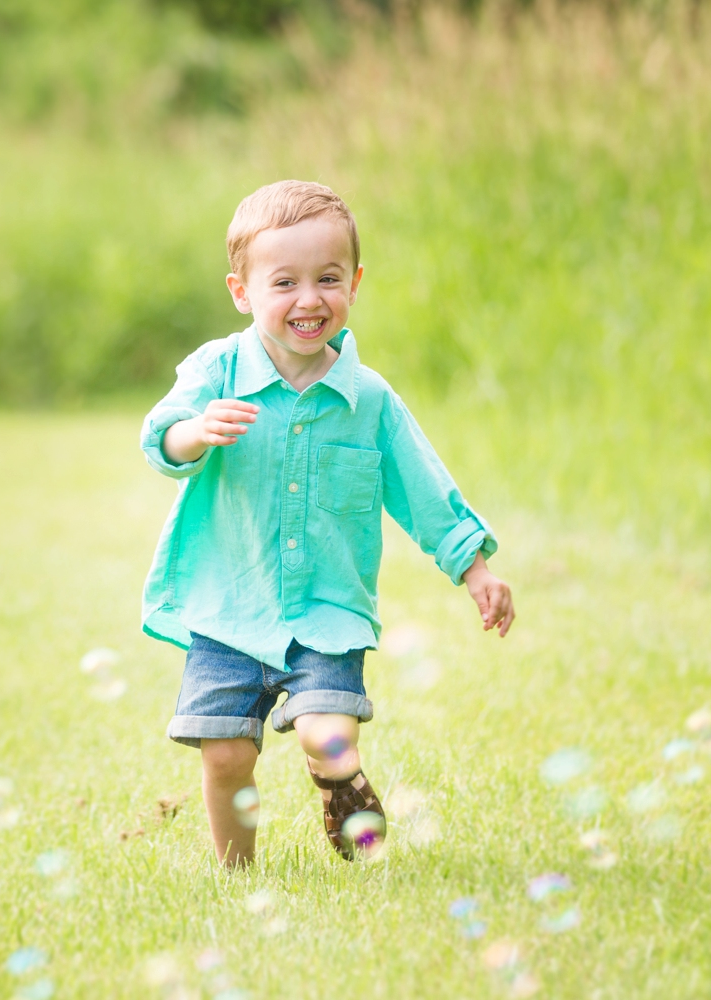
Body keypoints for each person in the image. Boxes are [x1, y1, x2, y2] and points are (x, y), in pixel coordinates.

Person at [139, 179, 515, 866]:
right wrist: (195, 431)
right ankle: (237, 876)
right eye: (284, 282)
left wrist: (475, 567)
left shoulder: (368, 400)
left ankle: (342, 788)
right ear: (242, 291)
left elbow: (422, 488)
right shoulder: (215, 372)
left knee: (325, 735)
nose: (309, 299)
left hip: (326, 609)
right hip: (229, 606)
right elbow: (160, 440)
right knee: (224, 753)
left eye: (328, 279)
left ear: (355, 283)